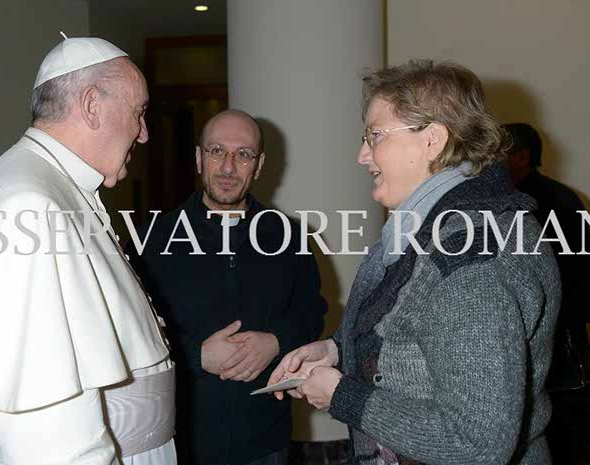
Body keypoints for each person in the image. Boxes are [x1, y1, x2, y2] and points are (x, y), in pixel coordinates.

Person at [269, 60, 561, 465]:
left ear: (433, 140)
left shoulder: (468, 257)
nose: (362, 155)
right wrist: (337, 350)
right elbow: (418, 329)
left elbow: (476, 443)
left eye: (375, 136)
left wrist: (341, 395)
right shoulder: (445, 226)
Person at [0, 37, 175, 465]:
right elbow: (49, 440)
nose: (143, 133)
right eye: (138, 112)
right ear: (92, 105)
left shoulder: (46, 184)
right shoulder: (30, 206)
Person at [125, 109, 326, 465]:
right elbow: (128, 335)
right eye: (217, 151)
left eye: (243, 154)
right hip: (180, 443)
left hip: (267, 442)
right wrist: (196, 356)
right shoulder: (149, 241)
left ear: (259, 166)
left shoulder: (290, 237)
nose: (229, 167)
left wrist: (277, 341)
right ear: (199, 158)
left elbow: (312, 313)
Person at [504, 122, 588, 464]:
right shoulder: (559, 198)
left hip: (556, 348)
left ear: (523, 157)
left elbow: (578, 277)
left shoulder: (547, 203)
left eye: (499, 153)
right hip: (553, 343)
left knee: (558, 439)